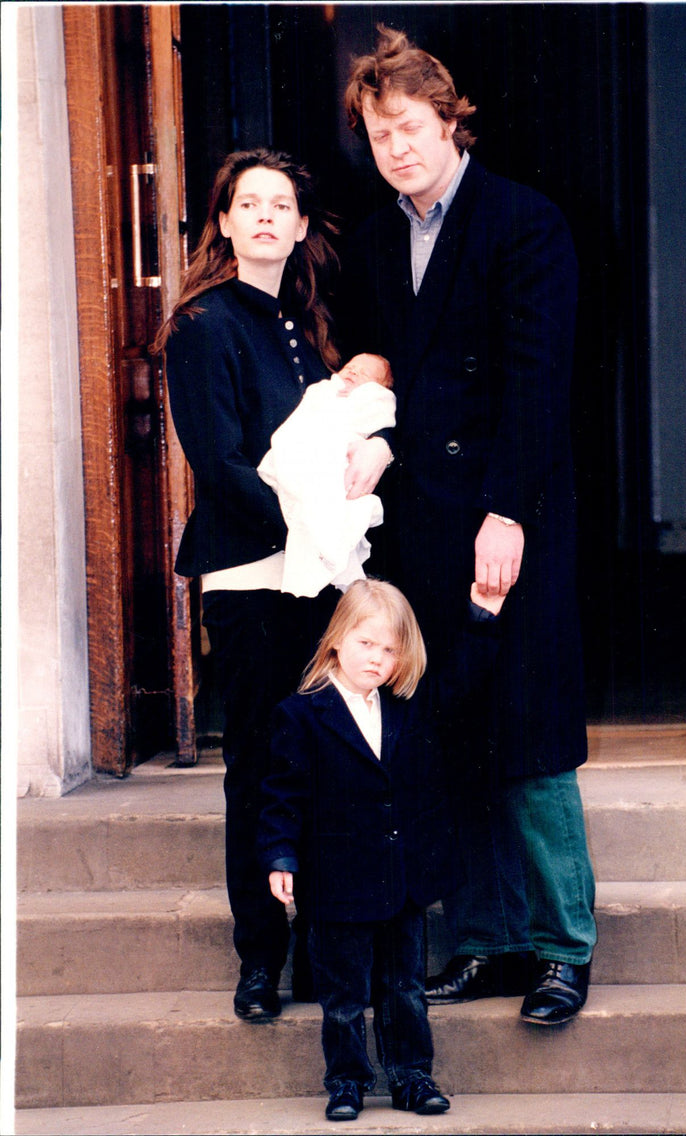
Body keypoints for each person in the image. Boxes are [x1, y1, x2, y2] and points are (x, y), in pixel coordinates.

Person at [339, 25, 597, 1026]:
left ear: (451, 122)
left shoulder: (522, 222)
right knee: (451, 735)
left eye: (407, 127)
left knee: (528, 736)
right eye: (376, 134)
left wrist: (505, 512)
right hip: (419, 530)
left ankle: (562, 949)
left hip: (507, 517)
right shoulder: (372, 237)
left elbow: (536, 384)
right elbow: (391, 370)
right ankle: (486, 942)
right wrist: (371, 420)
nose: (394, 148)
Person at [154, 148, 393, 1023]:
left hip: (324, 575)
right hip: (256, 577)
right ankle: (261, 957)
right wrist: (313, 531)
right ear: (222, 222)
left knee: (330, 759)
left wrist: (379, 449)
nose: (262, 216)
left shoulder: (311, 325)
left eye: (279, 204)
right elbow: (219, 465)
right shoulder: (202, 324)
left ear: (299, 226)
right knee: (258, 764)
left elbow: (349, 434)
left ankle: (331, 953)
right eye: (245, 203)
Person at [258, 578, 504, 1122]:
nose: (377, 658)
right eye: (366, 643)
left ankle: (411, 1076)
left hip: (402, 880)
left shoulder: (405, 708)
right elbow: (282, 795)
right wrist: (280, 856)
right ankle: (346, 1081)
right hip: (336, 882)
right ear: (336, 641)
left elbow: (461, 684)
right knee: (344, 997)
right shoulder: (301, 714)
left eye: (389, 649)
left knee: (404, 987)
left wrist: (482, 616)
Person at [257, 352, 396, 597]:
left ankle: (324, 549)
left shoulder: (374, 397)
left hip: (342, 455)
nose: (353, 372)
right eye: (351, 367)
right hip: (305, 450)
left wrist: (361, 397)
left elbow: (379, 411)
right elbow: (303, 418)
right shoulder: (322, 390)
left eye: (364, 374)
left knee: (327, 502)